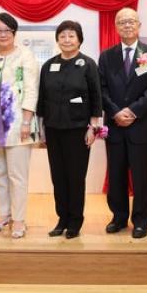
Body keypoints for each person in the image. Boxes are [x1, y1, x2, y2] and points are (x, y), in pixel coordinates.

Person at [98, 8, 147, 239]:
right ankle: (118, 217)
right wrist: (116, 112)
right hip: (115, 126)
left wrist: (133, 111)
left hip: (142, 125)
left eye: (131, 21)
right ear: (115, 27)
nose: (127, 25)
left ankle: (141, 220)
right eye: (122, 22)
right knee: (116, 174)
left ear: (139, 25)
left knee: (141, 175)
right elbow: (102, 89)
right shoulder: (106, 56)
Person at [37, 20, 103, 239]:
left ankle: (75, 221)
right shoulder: (49, 65)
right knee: (58, 176)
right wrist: (42, 128)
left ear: (79, 39)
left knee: (75, 177)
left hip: (78, 129)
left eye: (71, 36)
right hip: (53, 128)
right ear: (57, 40)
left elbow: (96, 98)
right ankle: (62, 218)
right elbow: (42, 99)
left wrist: (93, 128)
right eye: (63, 36)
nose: (67, 40)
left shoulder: (88, 64)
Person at [0, 12, 40, 239]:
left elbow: (31, 90)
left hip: (19, 125)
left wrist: (27, 121)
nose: (3, 34)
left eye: (7, 30)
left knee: (18, 176)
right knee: (0, 174)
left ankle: (19, 219)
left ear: (14, 33)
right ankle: (4, 214)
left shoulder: (25, 56)